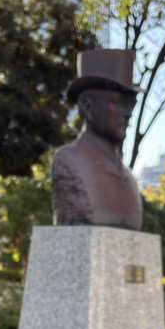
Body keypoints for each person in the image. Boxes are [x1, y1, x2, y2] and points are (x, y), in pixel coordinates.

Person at [51, 49, 143, 230]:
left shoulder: (129, 178)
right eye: (118, 103)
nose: (128, 114)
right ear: (87, 106)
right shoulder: (69, 162)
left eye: (131, 105)